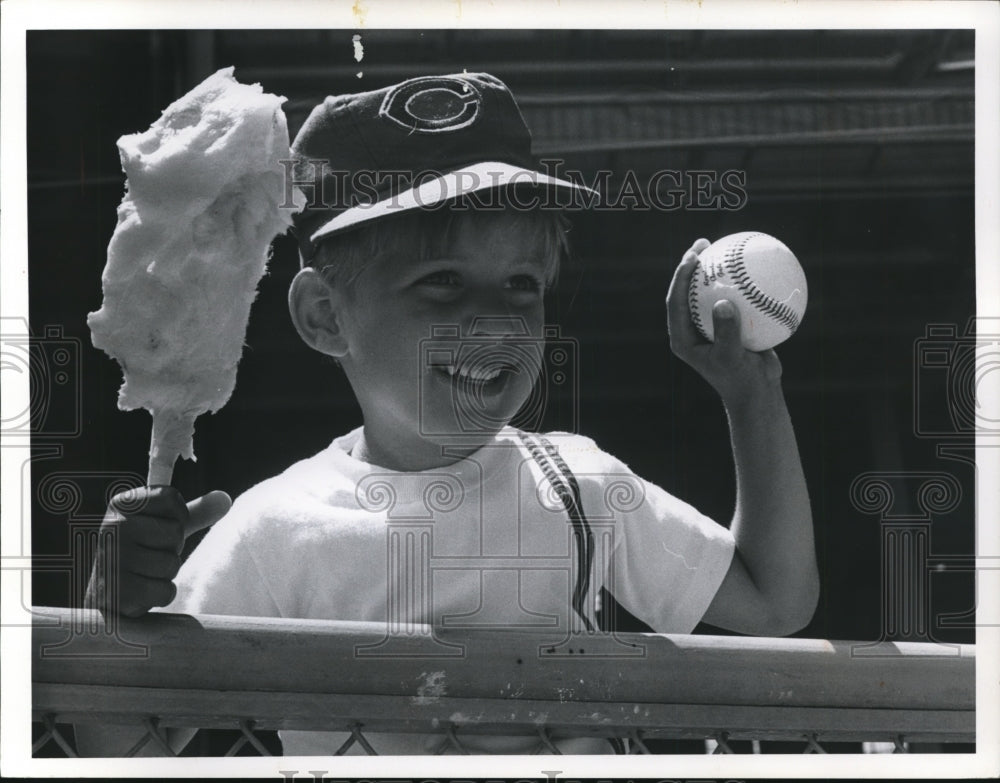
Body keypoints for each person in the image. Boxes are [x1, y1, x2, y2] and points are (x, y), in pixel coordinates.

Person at [82, 72, 818, 755]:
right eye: (442, 282)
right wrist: (110, 617)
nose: (496, 322)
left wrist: (749, 392)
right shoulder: (272, 528)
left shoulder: (578, 481)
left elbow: (776, 599)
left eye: (522, 284)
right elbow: (117, 749)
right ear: (324, 315)